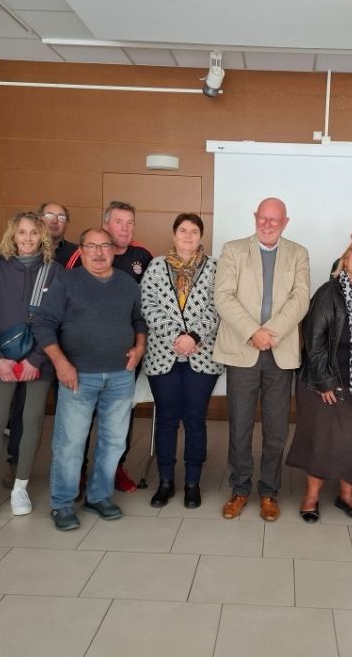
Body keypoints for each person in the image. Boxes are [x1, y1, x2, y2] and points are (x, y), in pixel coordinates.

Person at [32, 227, 147, 530]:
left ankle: (98, 496)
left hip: (121, 376)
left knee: (113, 442)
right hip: (77, 376)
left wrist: (140, 345)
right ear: (81, 251)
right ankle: (63, 503)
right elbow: (43, 324)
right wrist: (61, 363)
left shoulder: (126, 283)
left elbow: (138, 319)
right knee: (70, 443)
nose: (99, 253)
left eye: (105, 246)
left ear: (113, 249)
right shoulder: (66, 282)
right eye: (92, 247)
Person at [215, 197, 310, 521]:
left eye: (275, 219)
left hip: (279, 353)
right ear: (255, 217)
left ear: (286, 222)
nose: (268, 224)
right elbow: (223, 297)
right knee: (240, 426)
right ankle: (240, 489)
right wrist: (253, 332)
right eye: (263, 218)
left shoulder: (298, 253)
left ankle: (269, 492)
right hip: (243, 350)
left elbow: (300, 300)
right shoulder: (233, 250)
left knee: (276, 429)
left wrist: (270, 333)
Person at [0, 212, 64, 522]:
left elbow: (58, 320)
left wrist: (35, 359)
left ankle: (20, 487)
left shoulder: (55, 272)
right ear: (12, 235)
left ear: (43, 237)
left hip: (39, 361)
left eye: (33, 233)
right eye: (22, 232)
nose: (27, 239)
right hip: (3, 362)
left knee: (31, 420)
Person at [288, 237, 352, 523]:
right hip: (324, 380)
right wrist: (325, 381)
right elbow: (313, 339)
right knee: (322, 439)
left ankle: (347, 495)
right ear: (345, 259)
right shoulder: (328, 292)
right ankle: (311, 496)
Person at [67, 201, 153, 494]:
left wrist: (140, 345)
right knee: (81, 420)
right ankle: (77, 472)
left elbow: (146, 308)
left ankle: (115, 468)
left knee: (119, 418)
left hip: (125, 357)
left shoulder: (143, 255)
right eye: (119, 222)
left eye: (130, 223)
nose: (125, 229)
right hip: (84, 359)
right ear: (105, 225)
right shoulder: (83, 256)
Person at [140, 213, 223, 509]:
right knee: (166, 419)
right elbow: (147, 305)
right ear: (174, 234)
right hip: (164, 354)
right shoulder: (156, 266)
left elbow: (220, 304)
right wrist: (177, 336)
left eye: (194, 231)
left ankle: (192, 483)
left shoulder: (215, 268)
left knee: (195, 420)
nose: (188, 236)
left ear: (201, 236)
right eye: (183, 230)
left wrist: (194, 336)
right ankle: (165, 481)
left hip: (202, 356)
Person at [39, 202, 78, 267]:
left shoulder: (77, 254)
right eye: (49, 216)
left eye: (61, 217)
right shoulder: (26, 250)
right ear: (39, 220)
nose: (55, 221)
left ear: (66, 224)